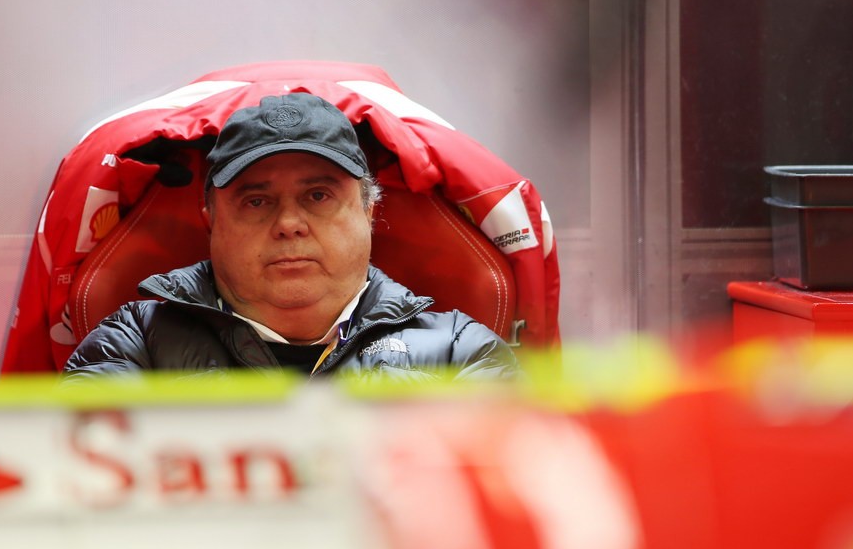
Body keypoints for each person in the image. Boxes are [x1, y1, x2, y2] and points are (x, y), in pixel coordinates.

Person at [65, 92, 518, 379]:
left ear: (369, 210)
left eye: (318, 196)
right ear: (211, 219)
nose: (288, 223)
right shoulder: (135, 342)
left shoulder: (460, 354)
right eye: (256, 201)